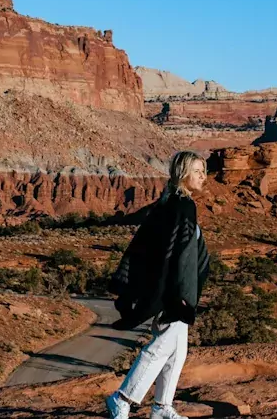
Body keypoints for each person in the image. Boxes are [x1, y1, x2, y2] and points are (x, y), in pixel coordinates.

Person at [104, 150, 211, 419]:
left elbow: (158, 249)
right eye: (198, 171)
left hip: (168, 288)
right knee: (161, 347)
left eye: (204, 171)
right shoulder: (182, 206)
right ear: (184, 174)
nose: (204, 177)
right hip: (172, 292)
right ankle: (122, 398)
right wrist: (182, 294)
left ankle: (162, 407)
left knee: (177, 351)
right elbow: (182, 257)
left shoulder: (170, 203)